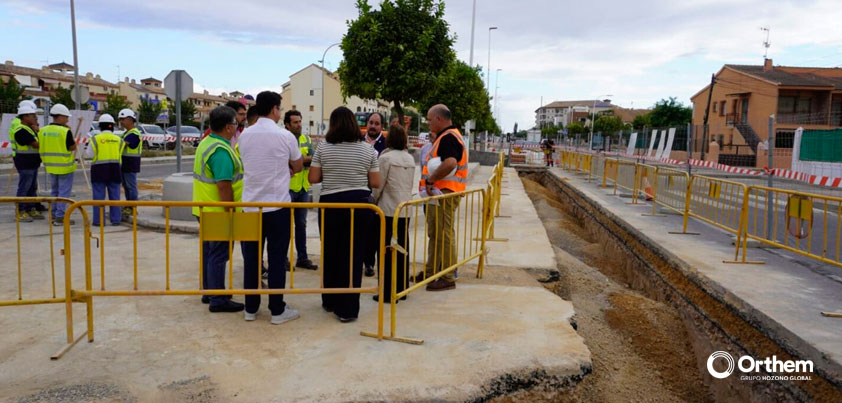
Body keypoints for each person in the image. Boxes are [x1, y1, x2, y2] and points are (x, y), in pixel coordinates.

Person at [309, 106, 380, 322]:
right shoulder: (368, 149)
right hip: (360, 205)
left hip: (331, 204)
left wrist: (333, 173)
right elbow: (375, 182)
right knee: (353, 254)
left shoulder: (323, 147)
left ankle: (329, 300)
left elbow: (313, 178)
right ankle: (348, 309)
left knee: (331, 251)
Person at [238, 91, 303, 324]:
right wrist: (287, 168)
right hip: (277, 207)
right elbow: (298, 165)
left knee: (251, 260)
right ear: (275, 109)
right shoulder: (285, 136)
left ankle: (250, 308)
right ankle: (277, 310)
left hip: (250, 206)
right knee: (276, 259)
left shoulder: (245, 135)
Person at [192, 105, 245, 313]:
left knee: (209, 253)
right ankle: (217, 299)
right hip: (218, 211)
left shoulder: (207, 142)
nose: (237, 126)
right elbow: (224, 185)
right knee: (219, 254)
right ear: (228, 127)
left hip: (205, 208)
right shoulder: (220, 151)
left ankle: (210, 291)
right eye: (235, 123)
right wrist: (230, 211)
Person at [419, 104, 468, 291]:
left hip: (444, 193)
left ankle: (447, 276)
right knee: (436, 233)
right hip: (439, 193)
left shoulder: (448, 137)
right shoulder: (447, 136)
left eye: (430, 119)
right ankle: (431, 271)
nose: (428, 123)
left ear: (439, 119)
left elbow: (450, 162)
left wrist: (431, 180)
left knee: (444, 233)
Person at [371, 125, 415, 303]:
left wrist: (373, 202)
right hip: (404, 209)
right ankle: (401, 288)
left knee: (386, 251)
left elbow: (378, 186)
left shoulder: (385, 158)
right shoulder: (409, 158)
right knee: (402, 249)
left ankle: (387, 292)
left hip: (387, 209)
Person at [284, 110, 318, 271]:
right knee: (285, 226)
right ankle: (283, 259)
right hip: (288, 188)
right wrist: (302, 160)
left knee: (301, 224)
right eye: (295, 122)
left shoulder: (306, 139)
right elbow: (284, 161)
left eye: (299, 121)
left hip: (303, 187)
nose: (299, 125)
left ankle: (302, 258)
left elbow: (314, 158)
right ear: (287, 125)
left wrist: (297, 161)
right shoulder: (283, 139)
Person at [38, 104, 77, 226]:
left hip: (50, 166)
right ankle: (60, 217)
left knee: (54, 191)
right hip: (65, 166)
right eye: (66, 117)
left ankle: (54, 215)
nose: (67, 120)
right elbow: (72, 147)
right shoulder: (65, 131)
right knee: (63, 193)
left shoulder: (43, 130)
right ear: (60, 117)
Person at [87, 114, 123, 226]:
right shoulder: (119, 140)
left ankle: (99, 221)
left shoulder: (95, 139)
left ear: (100, 126)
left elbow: (90, 154)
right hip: (115, 170)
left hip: (99, 170)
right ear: (112, 126)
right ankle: (116, 220)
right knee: (115, 197)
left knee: (98, 197)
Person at [11, 101, 44, 222]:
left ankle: (31, 208)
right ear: (25, 116)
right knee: (24, 188)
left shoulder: (29, 129)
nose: (35, 118)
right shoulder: (21, 130)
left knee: (32, 188)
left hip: (32, 163)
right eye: (32, 115)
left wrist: (37, 130)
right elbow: (36, 144)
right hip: (25, 163)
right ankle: (21, 211)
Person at [117, 109, 141, 219]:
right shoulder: (126, 133)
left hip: (131, 163)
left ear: (130, 120)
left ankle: (132, 207)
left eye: (123, 119)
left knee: (131, 186)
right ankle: (129, 205)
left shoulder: (134, 134)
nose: (121, 122)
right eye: (120, 119)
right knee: (126, 186)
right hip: (125, 163)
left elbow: (124, 144)